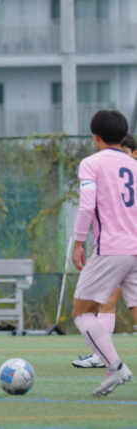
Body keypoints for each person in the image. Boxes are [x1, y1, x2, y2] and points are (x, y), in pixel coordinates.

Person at [70, 110, 136, 396]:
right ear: (124, 137)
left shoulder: (91, 163)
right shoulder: (134, 164)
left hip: (111, 248)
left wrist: (78, 243)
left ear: (95, 137)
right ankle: (113, 367)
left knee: (82, 312)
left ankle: (114, 366)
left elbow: (86, 206)